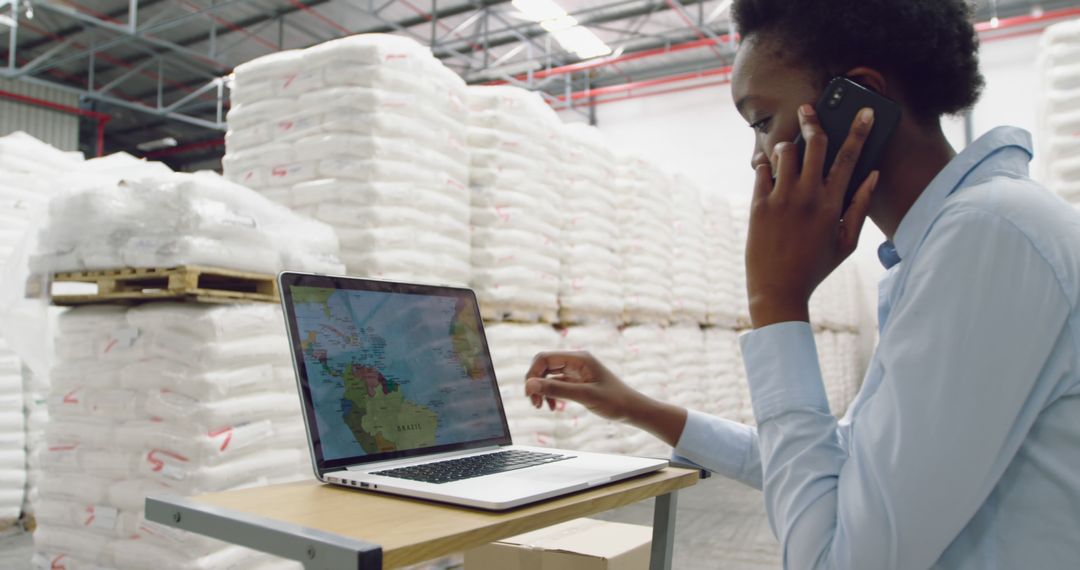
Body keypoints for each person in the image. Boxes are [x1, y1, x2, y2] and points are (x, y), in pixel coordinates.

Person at [524, 0, 1080, 568]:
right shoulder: (962, 238)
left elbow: (832, 558)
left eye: (762, 122)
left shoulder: (986, 238)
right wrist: (637, 408)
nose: (757, 158)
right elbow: (839, 464)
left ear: (859, 102)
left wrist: (777, 302)